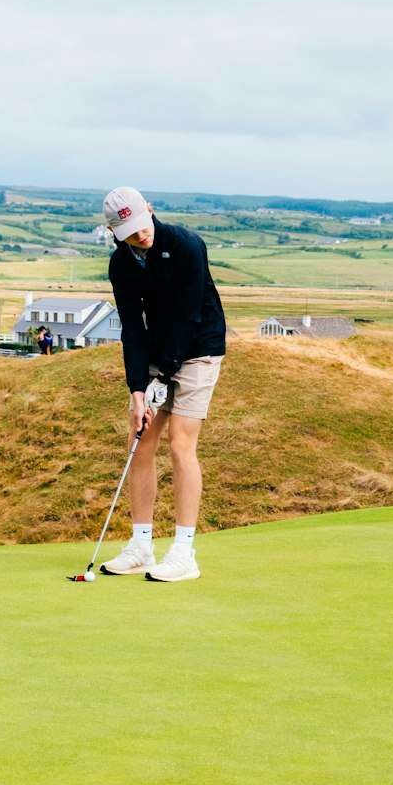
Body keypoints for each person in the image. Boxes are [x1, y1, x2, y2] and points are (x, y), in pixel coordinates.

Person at [100, 185, 226, 582]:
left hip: (200, 346)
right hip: (157, 350)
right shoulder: (121, 265)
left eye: (142, 225)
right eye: (130, 233)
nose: (142, 236)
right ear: (115, 234)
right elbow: (133, 330)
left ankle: (184, 554)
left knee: (180, 443)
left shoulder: (187, 245)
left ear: (150, 210)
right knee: (140, 439)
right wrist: (138, 389)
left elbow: (189, 317)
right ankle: (141, 546)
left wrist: (163, 376)